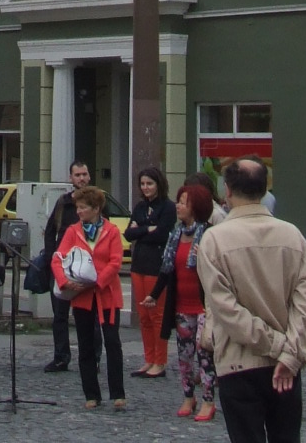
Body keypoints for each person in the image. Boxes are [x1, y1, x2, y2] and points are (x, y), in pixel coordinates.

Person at [200, 157, 306, 443]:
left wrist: (274, 346)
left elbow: (225, 310)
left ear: (227, 191)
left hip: (239, 362)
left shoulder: (215, 240)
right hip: (286, 368)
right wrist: (290, 353)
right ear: (265, 188)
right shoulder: (292, 236)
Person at [53, 183, 126, 409]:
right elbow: (58, 258)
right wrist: (65, 282)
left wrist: (98, 281)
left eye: (83, 207)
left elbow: (115, 261)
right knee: (85, 344)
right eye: (78, 207)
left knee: (112, 342)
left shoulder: (111, 231)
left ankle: (118, 393)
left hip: (107, 294)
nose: (79, 211)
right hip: (82, 296)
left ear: (96, 209)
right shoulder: (73, 231)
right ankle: (91, 394)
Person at [154, 181, 216, 419]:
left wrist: (206, 259)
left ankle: (209, 400)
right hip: (181, 305)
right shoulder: (176, 234)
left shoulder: (209, 234)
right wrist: (154, 295)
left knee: (204, 353)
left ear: (196, 207)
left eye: (184, 203)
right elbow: (168, 268)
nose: (178, 206)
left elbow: (220, 269)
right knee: (184, 355)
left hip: (204, 306)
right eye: (178, 202)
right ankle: (189, 396)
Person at [39, 164, 94, 373]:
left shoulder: (97, 201)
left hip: (86, 267)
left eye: (84, 174)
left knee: (89, 315)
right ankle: (61, 357)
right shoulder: (63, 203)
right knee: (60, 315)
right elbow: (50, 231)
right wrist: (51, 257)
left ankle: (93, 356)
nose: (81, 178)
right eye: (77, 175)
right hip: (62, 265)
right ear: (70, 178)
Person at [126, 166, 175, 378]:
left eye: (150, 183)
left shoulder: (168, 207)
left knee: (157, 315)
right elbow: (128, 234)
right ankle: (149, 358)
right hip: (138, 265)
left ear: (158, 184)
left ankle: (160, 361)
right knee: (144, 316)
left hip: (157, 266)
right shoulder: (140, 207)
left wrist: (140, 229)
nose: (146, 187)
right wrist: (147, 228)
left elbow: (162, 234)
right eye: (143, 184)